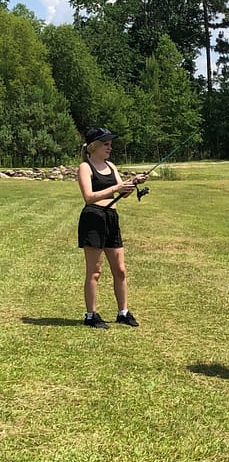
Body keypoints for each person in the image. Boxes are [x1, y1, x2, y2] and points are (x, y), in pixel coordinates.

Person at [77, 127, 147, 329]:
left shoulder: (112, 166)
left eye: (110, 144)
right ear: (94, 146)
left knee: (121, 270)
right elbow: (89, 197)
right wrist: (116, 188)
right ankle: (91, 315)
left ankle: (123, 313)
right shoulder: (85, 167)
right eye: (106, 144)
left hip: (111, 218)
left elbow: (122, 194)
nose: (110, 147)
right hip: (93, 219)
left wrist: (132, 184)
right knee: (95, 271)